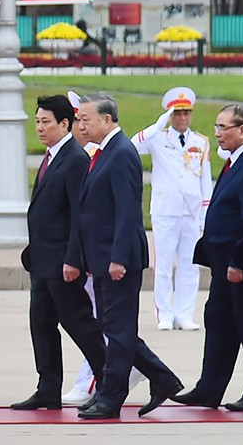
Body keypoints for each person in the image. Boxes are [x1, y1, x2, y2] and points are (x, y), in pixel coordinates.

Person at [65, 93, 183, 420]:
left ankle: (112, 395)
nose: (80, 125)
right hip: (101, 257)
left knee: (117, 330)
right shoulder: (103, 152)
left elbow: (127, 212)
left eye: (85, 119)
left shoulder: (121, 154)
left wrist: (118, 258)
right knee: (113, 326)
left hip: (118, 259)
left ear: (107, 120)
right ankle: (161, 377)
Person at [174, 104, 243, 412]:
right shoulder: (236, 160)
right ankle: (210, 387)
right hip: (223, 264)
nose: (217, 133)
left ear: (242, 130)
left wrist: (239, 261)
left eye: (223, 128)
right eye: (216, 127)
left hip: (238, 264)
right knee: (219, 321)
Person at [10, 94, 108, 410]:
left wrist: (73, 258)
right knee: (41, 322)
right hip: (42, 261)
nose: (39, 128)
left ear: (64, 124)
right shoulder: (52, 156)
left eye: (45, 122)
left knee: (78, 323)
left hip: (62, 262)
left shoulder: (75, 159)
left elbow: (80, 215)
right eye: (37, 121)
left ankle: (109, 382)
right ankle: (48, 388)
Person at [129, 87, 212, 331]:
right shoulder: (158, 138)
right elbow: (133, 144)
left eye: (186, 113)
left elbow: (205, 180)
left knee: (190, 264)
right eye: (177, 113)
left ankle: (185, 313)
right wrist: (159, 123)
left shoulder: (200, 141)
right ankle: (164, 312)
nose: (182, 118)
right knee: (163, 264)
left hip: (191, 210)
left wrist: (205, 214)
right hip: (166, 209)